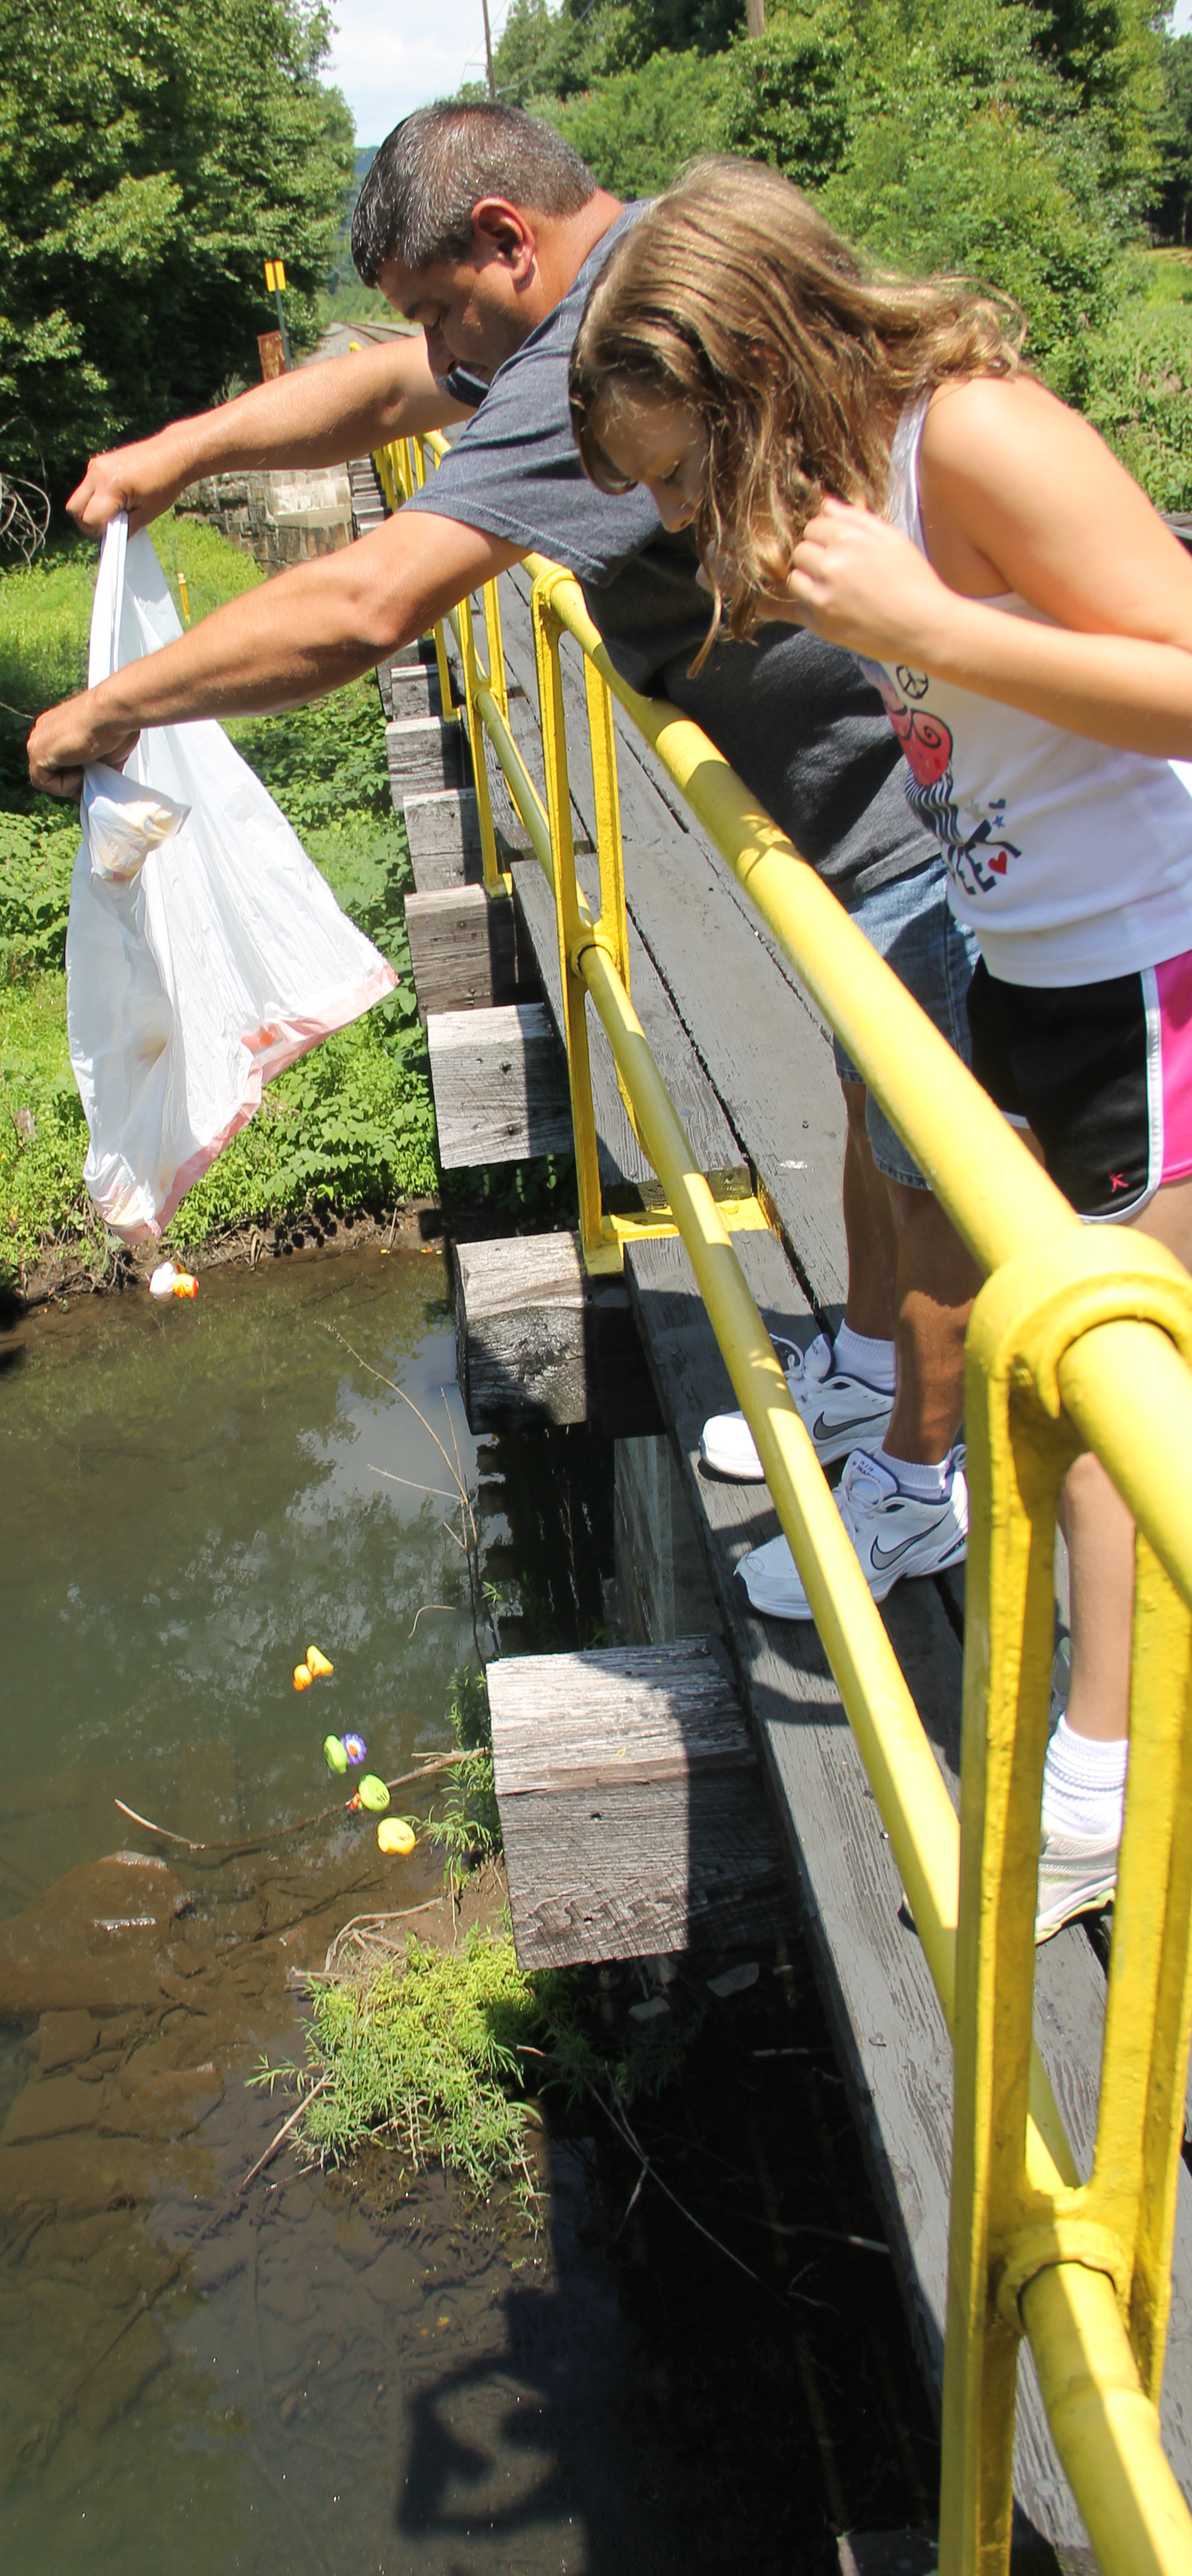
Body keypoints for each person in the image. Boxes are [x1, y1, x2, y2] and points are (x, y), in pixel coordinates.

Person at [26, 103, 980, 1614]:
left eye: (434, 305)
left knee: (933, 1168)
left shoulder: (594, 343)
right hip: (867, 821)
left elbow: (365, 605)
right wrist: (181, 453)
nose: (431, 353)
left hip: (928, 816)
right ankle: (865, 1376)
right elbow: (384, 391)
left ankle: (917, 1488)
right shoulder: (607, 281)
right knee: (872, 1105)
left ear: (502, 240)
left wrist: (112, 708)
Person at [567, 153, 1192, 1936]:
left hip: (1151, 970)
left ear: (758, 370)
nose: (678, 517)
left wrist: (923, 629)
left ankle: (1101, 1791)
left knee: (1112, 1394)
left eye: (680, 473)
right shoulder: (843, 486)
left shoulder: (972, 437)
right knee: (1055, 1367)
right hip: (1034, 971)